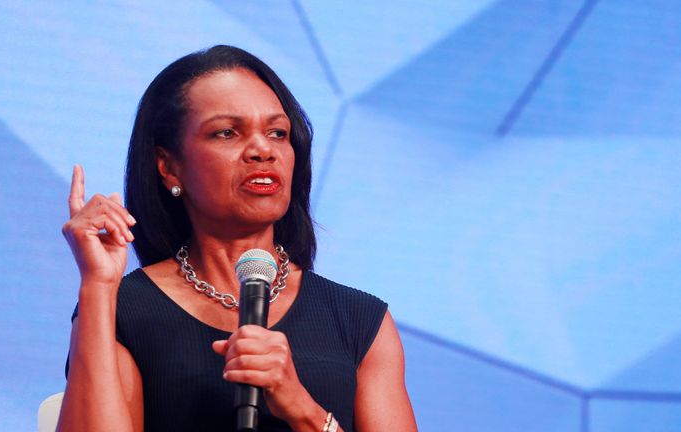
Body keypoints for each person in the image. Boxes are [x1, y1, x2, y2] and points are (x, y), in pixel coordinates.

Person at [57, 45, 417, 432]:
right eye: (227, 132)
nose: (263, 150)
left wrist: (304, 411)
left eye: (278, 133)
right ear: (169, 167)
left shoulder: (359, 319)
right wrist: (97, 287)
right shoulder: (122, 310)